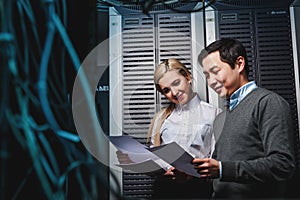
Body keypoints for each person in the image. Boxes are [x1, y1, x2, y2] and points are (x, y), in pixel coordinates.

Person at [193, 38, 296, 199]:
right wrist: (189, 175)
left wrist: (222, 169)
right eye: (207, 75)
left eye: (215, 71)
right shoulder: (220, 118)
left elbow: (282, 165)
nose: (211, 81)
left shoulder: (268, 102)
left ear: (239, 64)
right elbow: (217, 174)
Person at [146, 58, 221, 199]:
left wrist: (191, 173)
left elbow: (217, 158)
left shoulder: (214, 114)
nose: (174, 92)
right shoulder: (160, 119)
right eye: (166, 90)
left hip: (199, 191)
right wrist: (165, 170)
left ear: (188, 77)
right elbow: (155, 153)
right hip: (165, 192)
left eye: (176, 83)